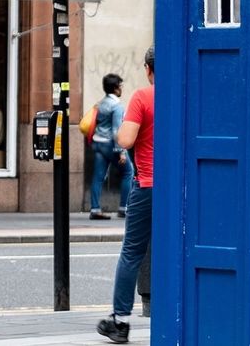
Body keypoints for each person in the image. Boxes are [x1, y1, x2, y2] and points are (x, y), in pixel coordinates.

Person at [97, 47, 155, 344]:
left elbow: (126, 138)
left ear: (148, 68)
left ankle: (120, 322)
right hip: (182, 188)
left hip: (147, 185)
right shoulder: (187, 92)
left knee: (132, 252)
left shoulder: (143, 97)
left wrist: (121, 131)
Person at [89, 74, 132, 220]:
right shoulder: (117, 106)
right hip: (109, 144)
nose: (121, 88)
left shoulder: (101, 104)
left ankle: (95, 209)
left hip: (97, 143)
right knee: (128, 172)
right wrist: (121, 151)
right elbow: (116, 130)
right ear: (115, 88)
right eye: (120, 85)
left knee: (98, 177)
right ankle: (123, 208)